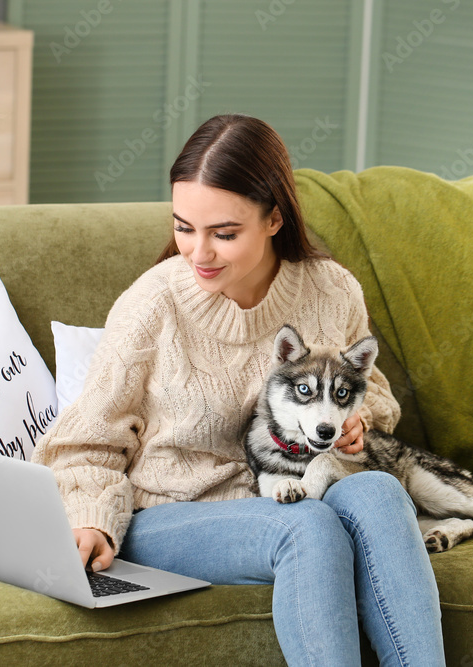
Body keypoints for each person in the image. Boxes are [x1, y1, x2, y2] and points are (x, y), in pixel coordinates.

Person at [32, 114, 446, 666]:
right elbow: (84, 442)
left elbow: (377, 397)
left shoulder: (332, 290)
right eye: (183, 227)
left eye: (223, 234)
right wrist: (91, 517)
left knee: (380, 492)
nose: (197, 253)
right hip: (170, 513)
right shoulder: (152, 305)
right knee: (309, 529)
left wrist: (357, 421)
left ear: (275, 218)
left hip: (298, 485)